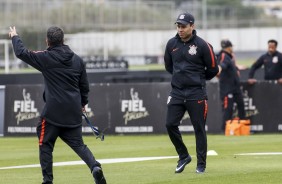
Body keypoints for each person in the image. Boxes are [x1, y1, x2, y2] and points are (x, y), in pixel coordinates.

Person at [9, 26, 106, 184]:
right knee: (79, 145)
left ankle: (47, 181)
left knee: (45, 144)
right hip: (73, 111)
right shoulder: (77, 60)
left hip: (53, 113)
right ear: (63, 39)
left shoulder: (46, 58)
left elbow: (21, 53)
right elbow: (85, 87)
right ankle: (95, 167)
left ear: (47, 41)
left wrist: (15, 36)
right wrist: (83, 103)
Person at [164, 12, 220, 174]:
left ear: (192, 26)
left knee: (199, 129)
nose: (180, 29)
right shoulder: (171, 44)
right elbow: (169, 67)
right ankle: (183, 156)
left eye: (183, 26)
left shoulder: (203, 45)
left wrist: (198, 79)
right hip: (177, 92)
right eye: (178, 26)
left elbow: (213, 69)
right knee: (170, 124)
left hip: (196, 93)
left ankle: (201, 164)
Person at [216, 39, 246, 131]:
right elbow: (222, 65)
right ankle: (224, 129)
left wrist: (238, 68)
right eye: (231, 47)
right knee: (228, 109)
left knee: (241, 105)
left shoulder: (229, 57)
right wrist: (219, 70)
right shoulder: (224, 55)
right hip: (227, 89)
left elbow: (230, 67)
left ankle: (243, 127)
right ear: (229, 47)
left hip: (235, 88)